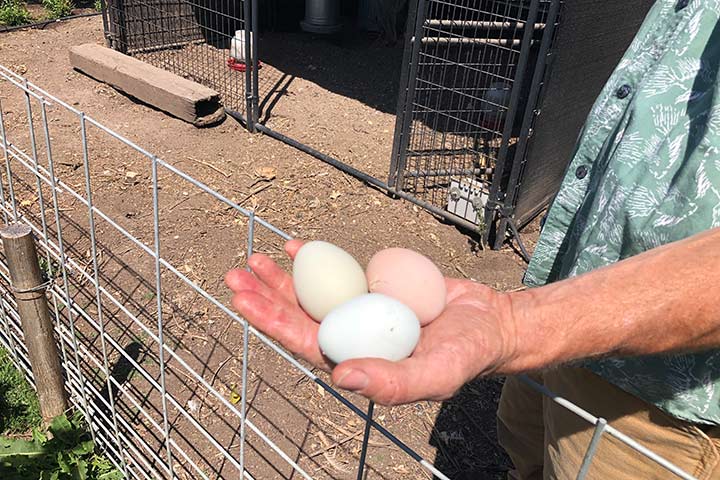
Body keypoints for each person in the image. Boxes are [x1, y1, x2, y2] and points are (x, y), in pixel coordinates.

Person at [225, 1, 720, 478]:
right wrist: (538, 312)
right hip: (572, 290)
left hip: (669, 386)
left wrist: (516, 325)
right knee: (523, 440)